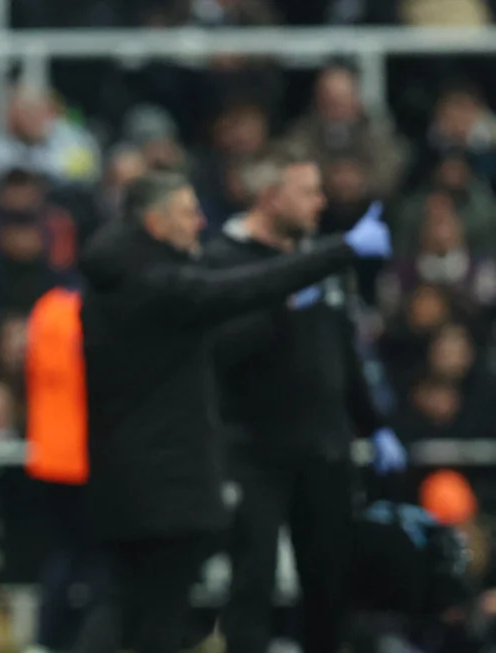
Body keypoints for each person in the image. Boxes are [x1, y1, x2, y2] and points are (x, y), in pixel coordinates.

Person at [77, 171, 392, 653]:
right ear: (156, 223)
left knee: (132, 603)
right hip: (164, 481)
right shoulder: (155, 284)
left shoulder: (118, 278)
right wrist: (339, 251)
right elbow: (238, 290)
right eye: (188, 212)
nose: (201, 222)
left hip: (133, 475)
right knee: (152, 612)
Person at [205, 157, 407, 653]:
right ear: (272, 197)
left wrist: (373, 424)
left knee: (329, 582)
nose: (321, 202)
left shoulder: (323, 259)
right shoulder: (223, 260)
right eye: (308, 191)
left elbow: (344, 352)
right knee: (252, 580)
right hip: (254, 449)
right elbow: (218, 352)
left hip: (325, 446)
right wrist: (282, 304)